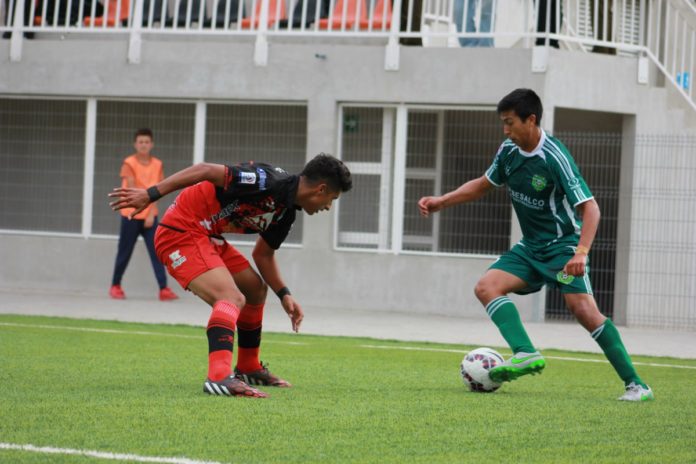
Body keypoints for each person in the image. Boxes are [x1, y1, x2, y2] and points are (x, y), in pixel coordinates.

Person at [418, 88, 653, 402]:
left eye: (510, 122)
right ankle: (525, 352)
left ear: (531, 120)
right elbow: (483, 185)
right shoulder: (508, 152)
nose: (506, 129)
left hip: (562, 250)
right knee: (487, 286)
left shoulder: (554, 156)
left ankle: (637, 385)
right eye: (503, 122)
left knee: (583, 310)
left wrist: (581, 252)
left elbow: (591, 208)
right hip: (530, 249)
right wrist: (441, 201)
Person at [109, 153, 352, 398]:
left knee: (255, 290)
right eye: (332, 199)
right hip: (180, 231)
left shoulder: (286, 213)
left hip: (207, 237)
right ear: (321, 190)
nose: (328, 207)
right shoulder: (266, 181)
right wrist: (150, 195)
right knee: (231, 297)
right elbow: (204, 170)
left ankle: (248, 367)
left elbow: (263, 255)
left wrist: (284, 294)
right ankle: (219, 377)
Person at [109, 128, 178, 302]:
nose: (143, 145)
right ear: (135, 144)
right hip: (130, 215)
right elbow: (132, 192)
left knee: (157, 251)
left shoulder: (158, 164)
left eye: (147, 142)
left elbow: (158, 190)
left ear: (151, 144)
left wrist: (151, 215)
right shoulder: (129, 163)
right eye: (140, 142)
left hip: (150, 216)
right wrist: (144, 212)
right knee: (124, 251)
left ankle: (164, 289)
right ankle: (115, 285)